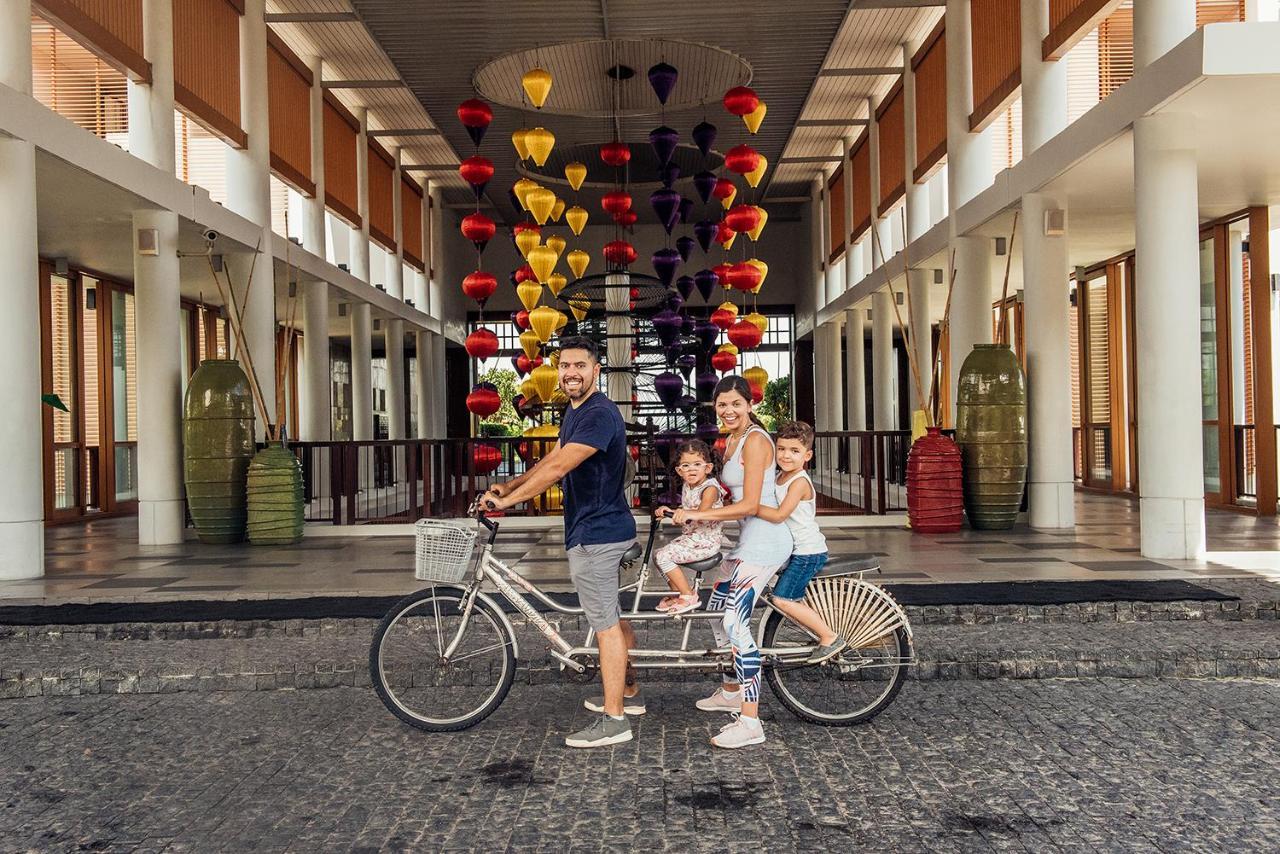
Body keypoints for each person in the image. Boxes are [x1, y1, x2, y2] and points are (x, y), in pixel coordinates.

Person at [481, 336, 639, 749]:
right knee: (613, 617)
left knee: (603, 626)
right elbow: (550, 460)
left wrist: (509, 503)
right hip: (599, 529)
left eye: (580, 366)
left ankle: (615, 721)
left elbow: (559, 469)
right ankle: (627, 690)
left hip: (597, 535)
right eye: (565, 366)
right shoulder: (576, 412)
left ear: (595, 370)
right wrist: (510, 484)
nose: (571, 373)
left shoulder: (600, 414)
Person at [671, 375, 793, 749]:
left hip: (765, 543)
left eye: (736, 404)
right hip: (745, 542)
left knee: (735, 623)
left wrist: (699, 517)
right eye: (722, 405)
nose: (728, 410)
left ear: (750, 404)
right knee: (716, 607)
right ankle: (730, 690)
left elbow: (752, 504)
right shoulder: (731, 441)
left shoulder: (756, 441)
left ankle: (751, 720)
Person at [751, 420, 846, 663]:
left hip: (807, 553)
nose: (786, 455)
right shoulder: (779, 476)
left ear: (807, 455)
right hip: (790, 550)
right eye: (781, 449)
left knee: (782, 598)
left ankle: (829, 636)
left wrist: (750, 507)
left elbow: (780, 514)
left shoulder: (799, 482)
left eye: (794, 451)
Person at [653, 439, 725, 615]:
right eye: (686, 465)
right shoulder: (687, 485)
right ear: (679, 470)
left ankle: (688, 595)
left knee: (664, 557)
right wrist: (670, 511)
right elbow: (684, 511)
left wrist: (680, 512)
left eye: (697, 464)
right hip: (691, 539)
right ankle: (678, 592)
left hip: (706, 542)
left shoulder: (710, 488)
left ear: (707, 468)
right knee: (657, 556)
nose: (691, 469)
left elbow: (702, 511)